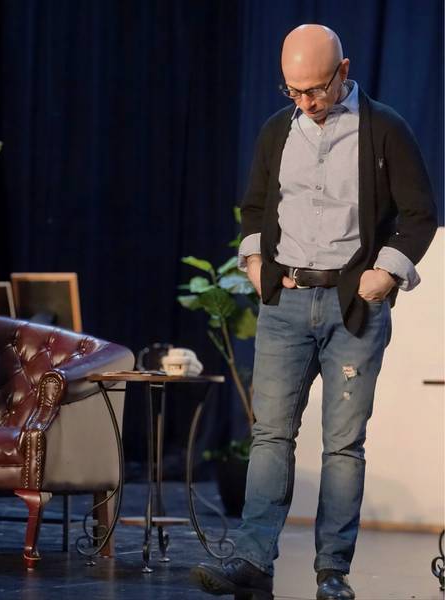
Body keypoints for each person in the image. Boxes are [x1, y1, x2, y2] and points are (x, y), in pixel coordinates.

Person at [191, 24, 437, 600]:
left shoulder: (385, 129)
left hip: (353, 302)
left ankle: (332, 571)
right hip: (285, 302)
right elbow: (255, 209)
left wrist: (386, 272)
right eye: (294, 91)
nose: (306, 102)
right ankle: (252, 561)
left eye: (316, 90)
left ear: (344, 70)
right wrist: (255, 265)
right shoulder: (278, 131)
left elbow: (419, 213)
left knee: (343, 444)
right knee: (271, 434)